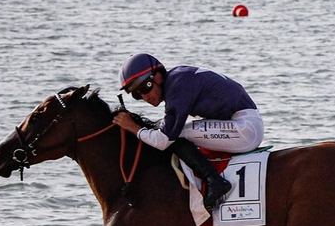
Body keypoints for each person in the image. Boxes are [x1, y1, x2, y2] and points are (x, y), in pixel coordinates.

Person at [113, 53, 264, 210]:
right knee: (176, 131)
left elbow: (163, 140)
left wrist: (132, 127)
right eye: (137, 95)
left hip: (246, 129)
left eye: (146, 87)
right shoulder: (178, 78)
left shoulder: (178, 86)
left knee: (175, 135)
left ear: (158, 76)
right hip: (240, 123)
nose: (145, 97)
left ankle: (215, 181)